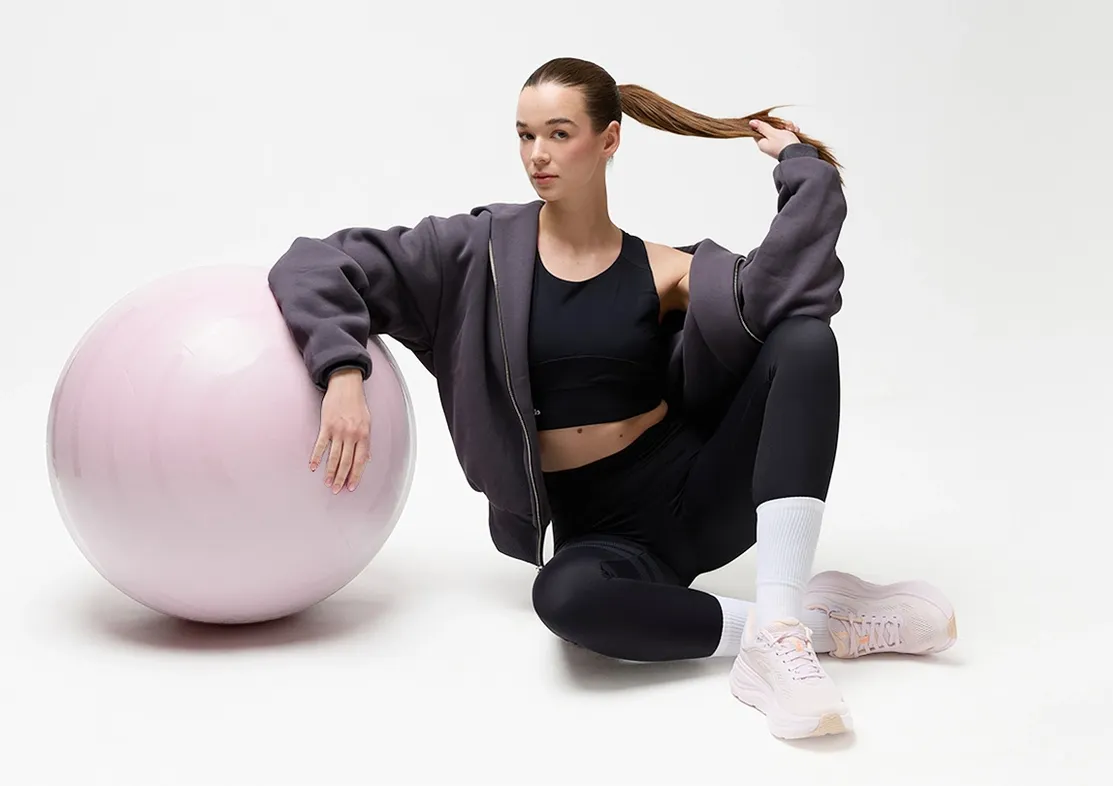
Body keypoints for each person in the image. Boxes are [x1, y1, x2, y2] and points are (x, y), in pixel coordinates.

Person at [265, 56, 955, 740]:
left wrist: (801, 166)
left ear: (610, 139)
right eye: (525, 134)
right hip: (602, 532)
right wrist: (343, 371)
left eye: (559, 133)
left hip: (702, 492)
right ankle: (808, 627)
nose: (537, 154)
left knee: (805, 341)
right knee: (565, 601)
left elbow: (792, 291)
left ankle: (778, 633)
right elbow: (317, 261)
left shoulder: (667, 269)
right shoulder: (476, 255)